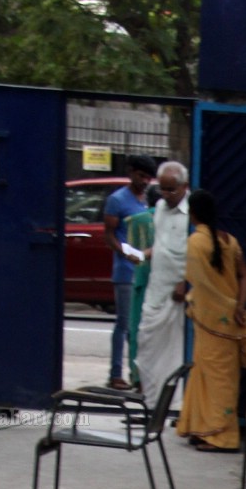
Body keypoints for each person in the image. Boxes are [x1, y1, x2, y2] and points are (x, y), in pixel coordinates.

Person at [175, 188, 246, 452]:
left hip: (209, 322)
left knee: (212, 380)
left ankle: (223, 437)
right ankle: (204, 430)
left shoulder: (195, 243)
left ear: (193, 214)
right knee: (213, 377)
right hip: (229, 322)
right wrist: (240, 306)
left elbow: (194, 283)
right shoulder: (229, 241)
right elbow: (245, 276)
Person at [134, 161, 190, 411]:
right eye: (163, 189)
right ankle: (151, 402)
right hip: (156, 289)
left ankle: (174, 405)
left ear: (184, 187)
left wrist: (185, 280)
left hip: (178, 295)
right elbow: (160, 246)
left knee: (177, 352)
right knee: (146, 345)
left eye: (171, 190)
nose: (166, 195)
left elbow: (198, 251)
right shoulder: (158, 208)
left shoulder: (192, 213)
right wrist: (143, 254)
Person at [103, 156, 155, 390]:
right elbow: (110, 235)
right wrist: (127, 253)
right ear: (131, 173)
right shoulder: (117, 200)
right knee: (124, 323)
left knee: (141, 326)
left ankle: (138, 373)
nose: (144, 181)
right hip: (126, 271)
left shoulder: (147, 200)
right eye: (141, 176)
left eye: (148, 178)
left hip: (146, 271)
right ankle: (115, 374)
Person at [125, 184, 160, 392]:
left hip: (142, 280)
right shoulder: (177, 221)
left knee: (138, 330)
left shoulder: (138, 220)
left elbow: (132, 252)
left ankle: (138, 380)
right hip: (165, 285)